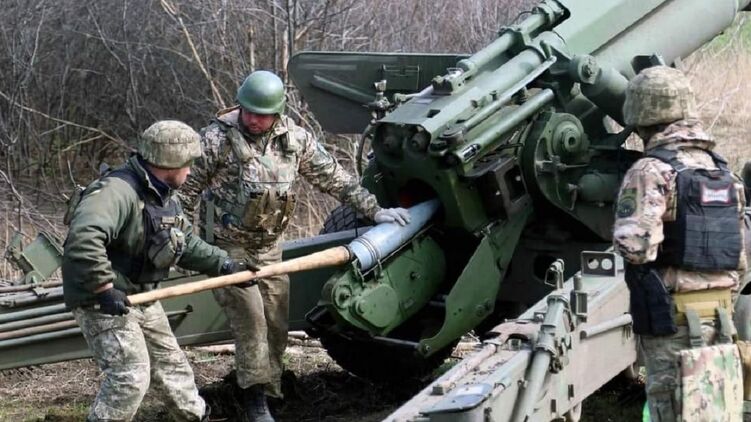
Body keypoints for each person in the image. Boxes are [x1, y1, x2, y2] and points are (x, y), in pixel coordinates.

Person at [178, 70, 410, 421]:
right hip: (227, 249)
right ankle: (254, 398)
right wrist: (186, 245)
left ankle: (271, 390)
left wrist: (375, 210)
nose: (253, 120)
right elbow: (184, 191)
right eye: (248, 112)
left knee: (275, 321)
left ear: (277, 113)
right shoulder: (215, 139)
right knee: (251, 321)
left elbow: (334, 178)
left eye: (262, 114)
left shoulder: (295, 139)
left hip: (271, 249)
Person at [62, 120, 250, 422]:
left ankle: (196, 417)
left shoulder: (163, 194)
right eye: (188, 164)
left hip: (142, 295)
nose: (190, 171)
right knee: (130, 377)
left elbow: (184, 242)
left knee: (173, 366)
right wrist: (104, 288)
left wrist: (225, 264)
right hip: (103, 298)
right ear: (171, 163)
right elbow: (83, 237)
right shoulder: (116, 192)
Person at [613, 66, 746, 421]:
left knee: (672, 411)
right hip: (722, 320)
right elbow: (739, 259)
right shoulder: (724, 173)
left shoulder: (651, 171)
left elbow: (636, 246)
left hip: (672, 325)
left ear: (640, 115)